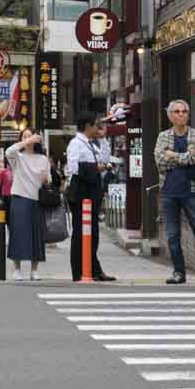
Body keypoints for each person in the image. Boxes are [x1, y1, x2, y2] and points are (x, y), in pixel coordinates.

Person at [153, 99, 195, 286]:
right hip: (169, 192)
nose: (180, 114)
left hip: (192, 190)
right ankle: (179, 272)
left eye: (184, 111)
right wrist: (186, 157)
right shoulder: (163, 136)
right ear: (170, 116)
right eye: (176, 111)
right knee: (172, 235)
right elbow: (160, 161)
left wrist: (174, 156)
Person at [65, 110, 119, 283]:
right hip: (81, 191)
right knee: (81, 233)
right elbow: (74, 168)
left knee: (93, 233)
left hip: (92, 190)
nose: (99, 127)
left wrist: (102, 138)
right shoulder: (76, 143)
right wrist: (95, 168)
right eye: (96, 125)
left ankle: (94, 268)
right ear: (88, 126)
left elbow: (104, 157)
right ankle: (79, 271)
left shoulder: (90, 143)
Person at [3, 129, 51, 282]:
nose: (28, 138)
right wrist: (26, 142)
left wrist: (45, 179)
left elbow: (49, 180)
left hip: (37, 199)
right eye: (24, 136)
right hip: (20, 197)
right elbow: (9, 151)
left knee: (36, 235)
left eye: (30, 136)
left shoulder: (43, 158)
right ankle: (17, 269)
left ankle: (34, 270)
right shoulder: (18, 156)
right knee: (18, 233)